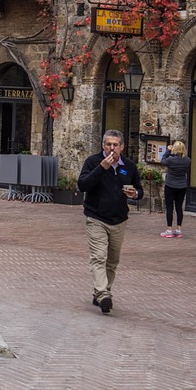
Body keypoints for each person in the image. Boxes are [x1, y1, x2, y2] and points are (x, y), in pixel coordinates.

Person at [79, 129, 143, 315]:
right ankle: (103, 294)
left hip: (119, 219)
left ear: (122, 147)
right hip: (96, 217)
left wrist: (135, 194)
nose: (112, 148)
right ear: (103, 145)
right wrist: (102, 168)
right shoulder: (93, 162)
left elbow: (139, 189)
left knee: (112, 261)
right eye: (108, 144)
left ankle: (100, 292)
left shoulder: (129, 166)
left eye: (115, 145)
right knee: (98, 257)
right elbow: (83, 184)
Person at [158, 139, 192, 239]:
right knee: (179, 207)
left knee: (169, 207)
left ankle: (169, 229)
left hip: (170, 185)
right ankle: (179, 229)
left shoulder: (171, 160)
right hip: (182, 186)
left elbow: (162, 160)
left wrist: (168, 151)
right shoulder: (187, 160)